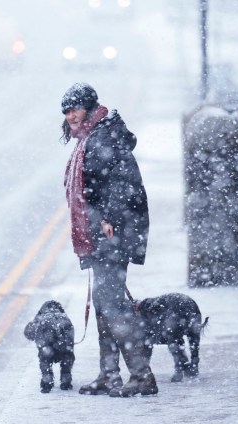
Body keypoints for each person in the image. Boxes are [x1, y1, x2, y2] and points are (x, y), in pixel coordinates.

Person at [61, 82, 157, 397]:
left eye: (74, 108)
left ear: (89, 107)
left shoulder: (104, 137)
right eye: (66, 110)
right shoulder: (91, 136)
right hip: (101, 234)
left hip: (112, 234)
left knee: (113, 304)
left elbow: (123, 182)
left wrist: (109, 219)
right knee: (104, 304)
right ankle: (109, 374)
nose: (69, 115)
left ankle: (141, 375)